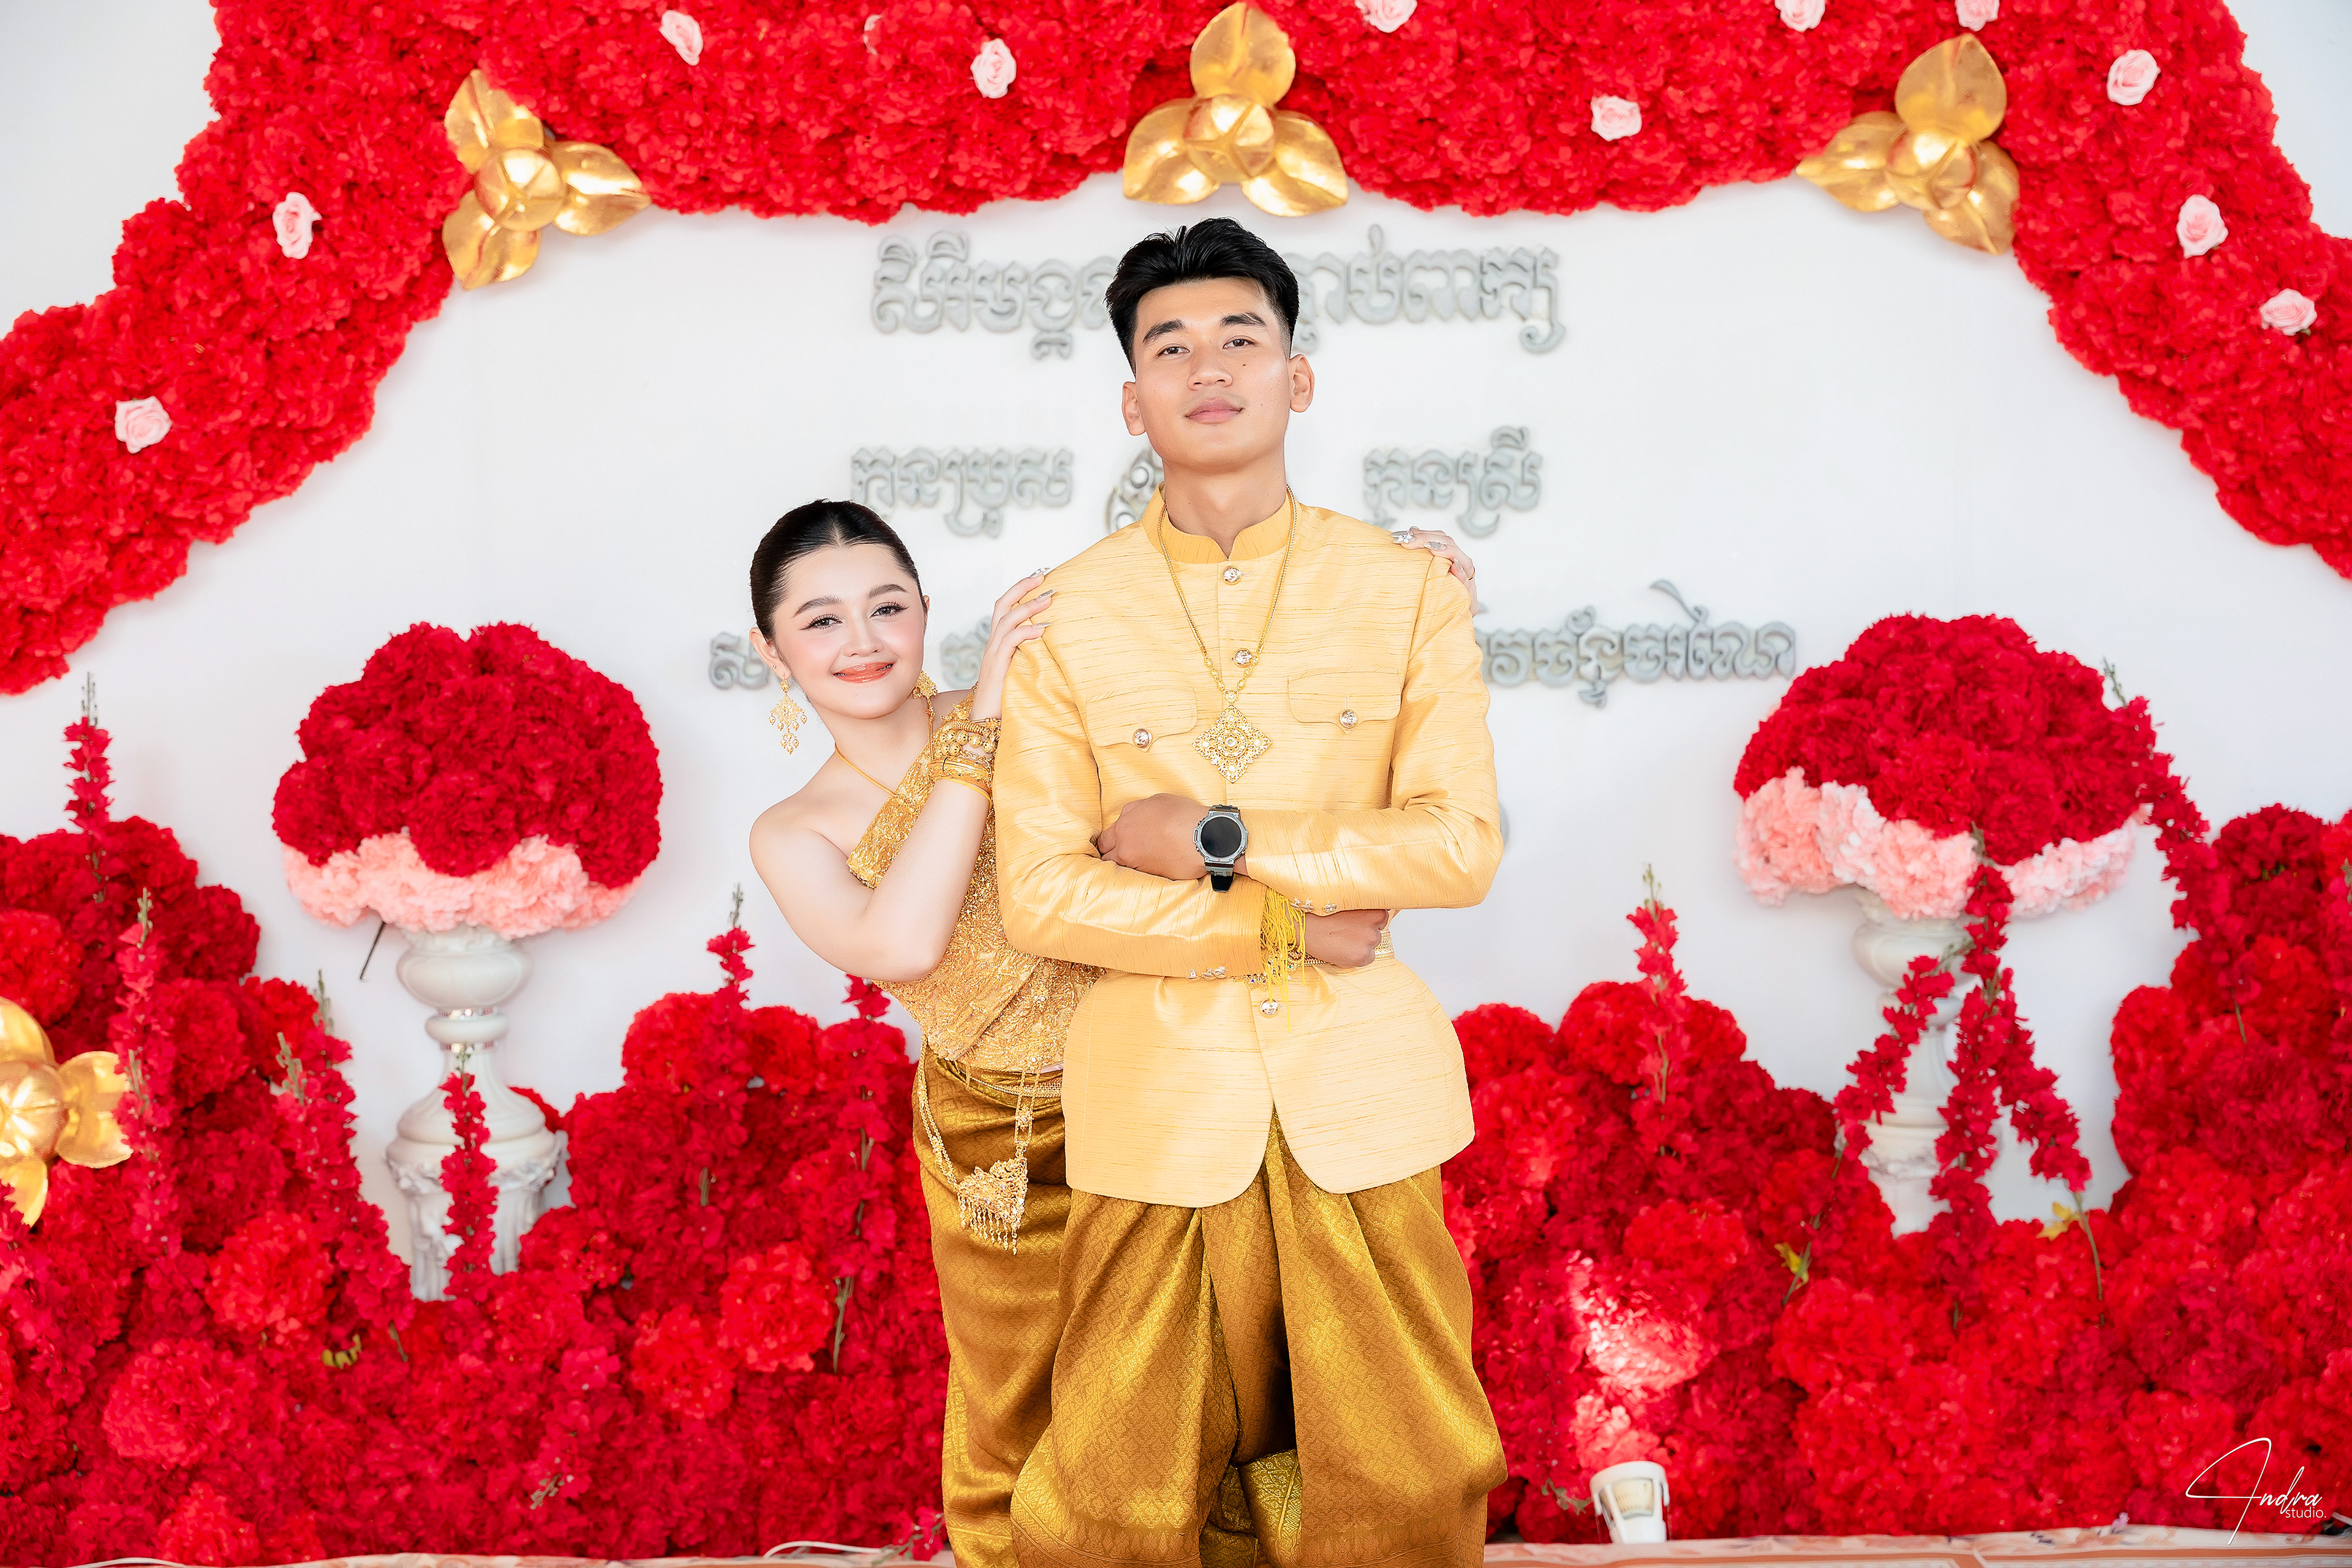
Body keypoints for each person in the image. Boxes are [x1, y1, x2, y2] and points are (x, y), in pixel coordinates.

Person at [741, 500, 1477, 1568]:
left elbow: (1236, 719)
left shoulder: (1044, 697)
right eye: (821, 621)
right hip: (1003, 1142)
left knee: (1220, 1387)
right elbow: (902, 942)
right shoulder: (795, 828)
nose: (863, 641)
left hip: (1159, 1082)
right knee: (1035, 1409)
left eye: (886, 606)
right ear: (772, 650)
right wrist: (979, 728)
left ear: (926, 610)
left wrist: (1409, 606)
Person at [992, 217, 1509, 1566]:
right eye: (1170, 346)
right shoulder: (1062, 616)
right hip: (1156, 1099)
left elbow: (1457, 845)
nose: (1208, 367)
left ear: (1299, 376)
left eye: (1241, 338)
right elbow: (1043, 893)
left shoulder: (1406, 591)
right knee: (1114, 1499)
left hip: (1362, 1096)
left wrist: (1214, 834)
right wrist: (1275, 918)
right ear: (1132, 400)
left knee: (1405, 1483)